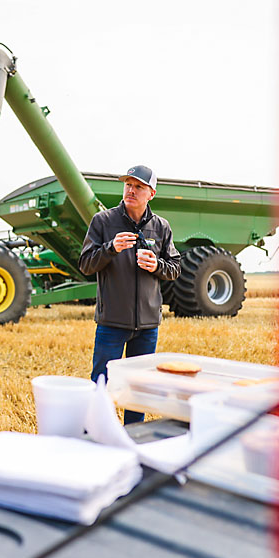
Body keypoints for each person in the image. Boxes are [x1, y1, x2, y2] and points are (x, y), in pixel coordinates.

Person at [78, 164, 182, 424]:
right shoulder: (103, 222)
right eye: (128, 185)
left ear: (151, 194)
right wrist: (110, 248)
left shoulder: (161, 227)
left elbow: (175, 268)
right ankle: (95, 433)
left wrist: (157, 266)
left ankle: (133, 437)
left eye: (138, 186)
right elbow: (86, 264)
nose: (131, 190)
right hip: (112, 322)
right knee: (101, 384)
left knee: (138, 389)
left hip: (148, 326)